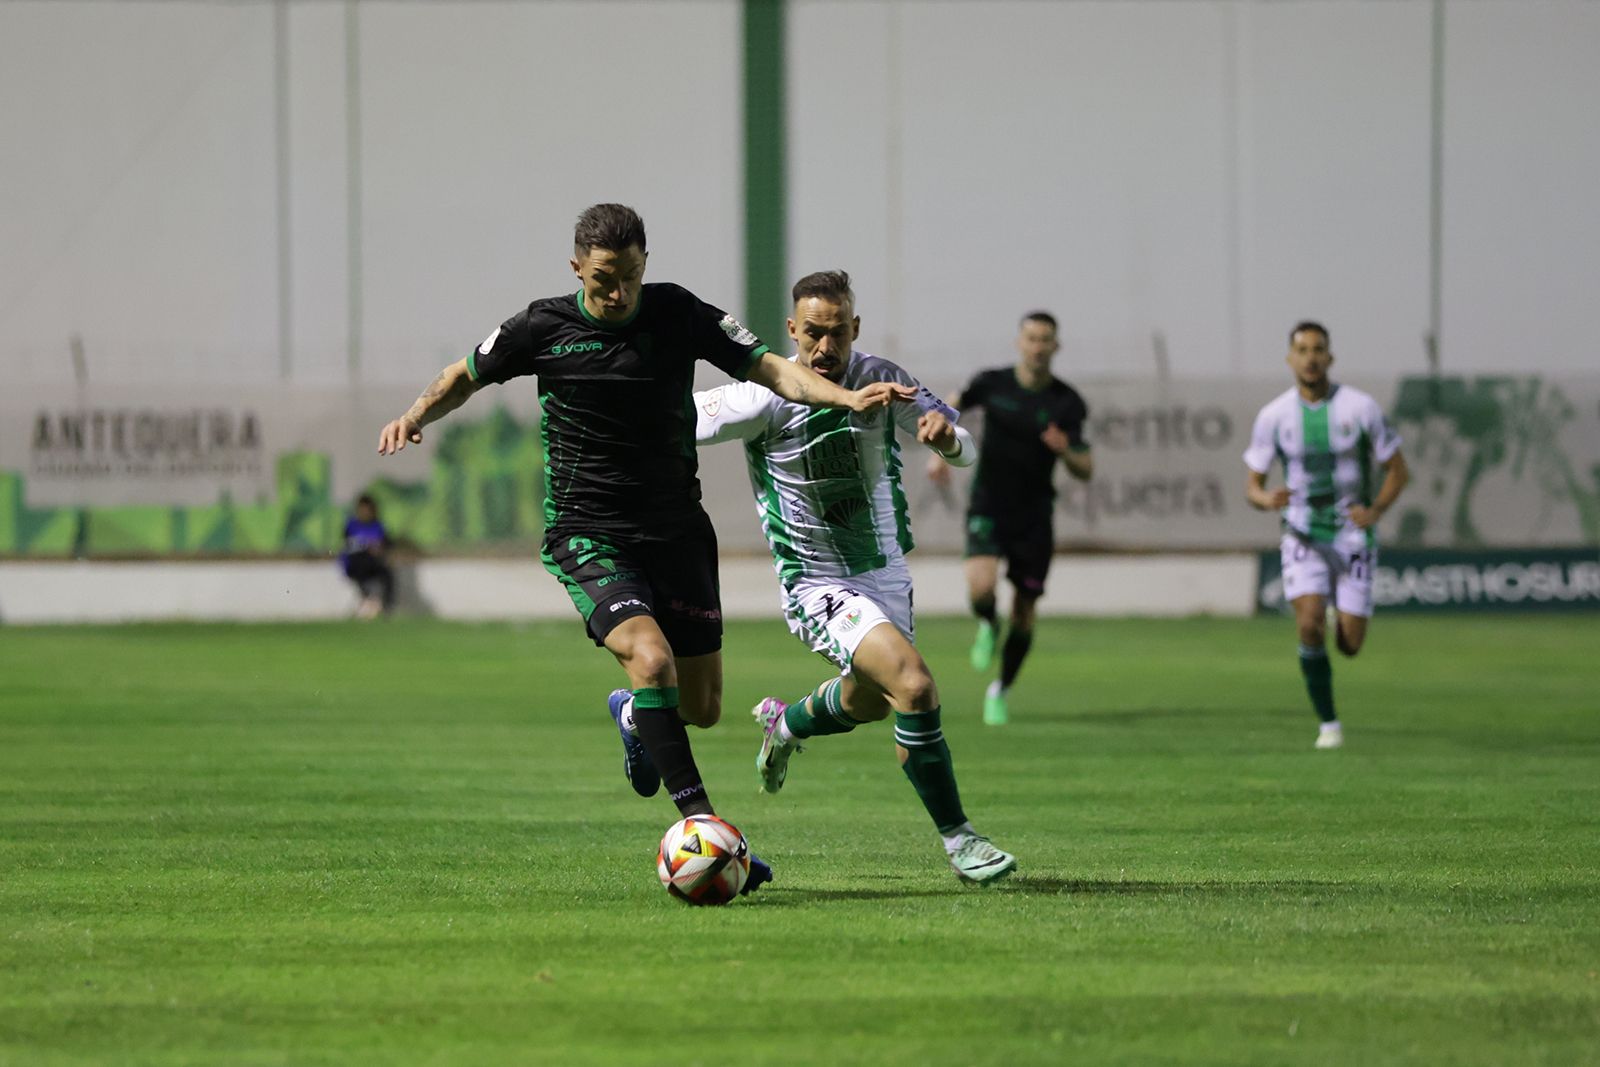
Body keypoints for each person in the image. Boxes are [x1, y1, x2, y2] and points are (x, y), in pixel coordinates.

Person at [377, 206, 911, 893]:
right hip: (589, 530)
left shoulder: (678, 313)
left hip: (677, 530)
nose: (618, 293)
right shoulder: (542, 327)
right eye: (604, 279)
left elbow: (774, 368)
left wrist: (842, 399)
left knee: (704, 705)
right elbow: (464, 374)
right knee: (650, 658)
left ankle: (632, 714)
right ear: (577, 269)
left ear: (645, 266)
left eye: (630, 276)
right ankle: (710, 832)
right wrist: (414, 415)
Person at [694, 270, 1017, 885]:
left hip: (885, 575)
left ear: (855, 329)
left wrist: (947, 440)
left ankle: (785, 723)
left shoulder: (880, 378)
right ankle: (961, 840)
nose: (825, 348)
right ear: (791, 331)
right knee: (915, 686)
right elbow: (676, 420)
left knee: (875, 698)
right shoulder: (762, 392)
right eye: (812, 333)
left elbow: (964, 445)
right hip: (816, 583)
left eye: (837, 332)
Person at [1243, 321, 1409, 749]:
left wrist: (1375, 510)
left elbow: (1398, 470)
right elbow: (1252, 485)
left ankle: (1342, 612)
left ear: (1330, 358)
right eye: (1302, 349)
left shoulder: (1361, 408)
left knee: (1350, 645)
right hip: (1302, 534)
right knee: (1309, 626)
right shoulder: (1274, 415)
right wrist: (1267, 500)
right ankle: (1329, 724)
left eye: (1318, 349)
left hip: (1352, 536)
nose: (1310, 357)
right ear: (1289, 358)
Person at [927, 311, 1092, 725]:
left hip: (1035, 516)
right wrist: (940, 453)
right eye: (1031, 338)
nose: (1038, 346)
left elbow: (1085, 467)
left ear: (1056, 347)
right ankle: (986, 622)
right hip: (988, 505)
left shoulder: (1066, 402)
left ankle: (999, 689)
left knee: (1024, 611)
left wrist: (1064, 450)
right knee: (981, 587)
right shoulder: (991, 383)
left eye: (1046, 340)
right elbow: (948, 408)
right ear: (1019, 342)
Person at [340, 494, 394, 619]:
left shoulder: (378, 526)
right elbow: (349, 545)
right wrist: (367, 547)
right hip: (355, 562)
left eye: (367, 509)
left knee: (387, 572)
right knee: (362, 562)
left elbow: (387, 544)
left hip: (374, 562)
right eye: (362, 509)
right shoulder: (351, 526)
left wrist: (381, 549)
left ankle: (386, 607)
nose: (365, 512)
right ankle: (368, 599)